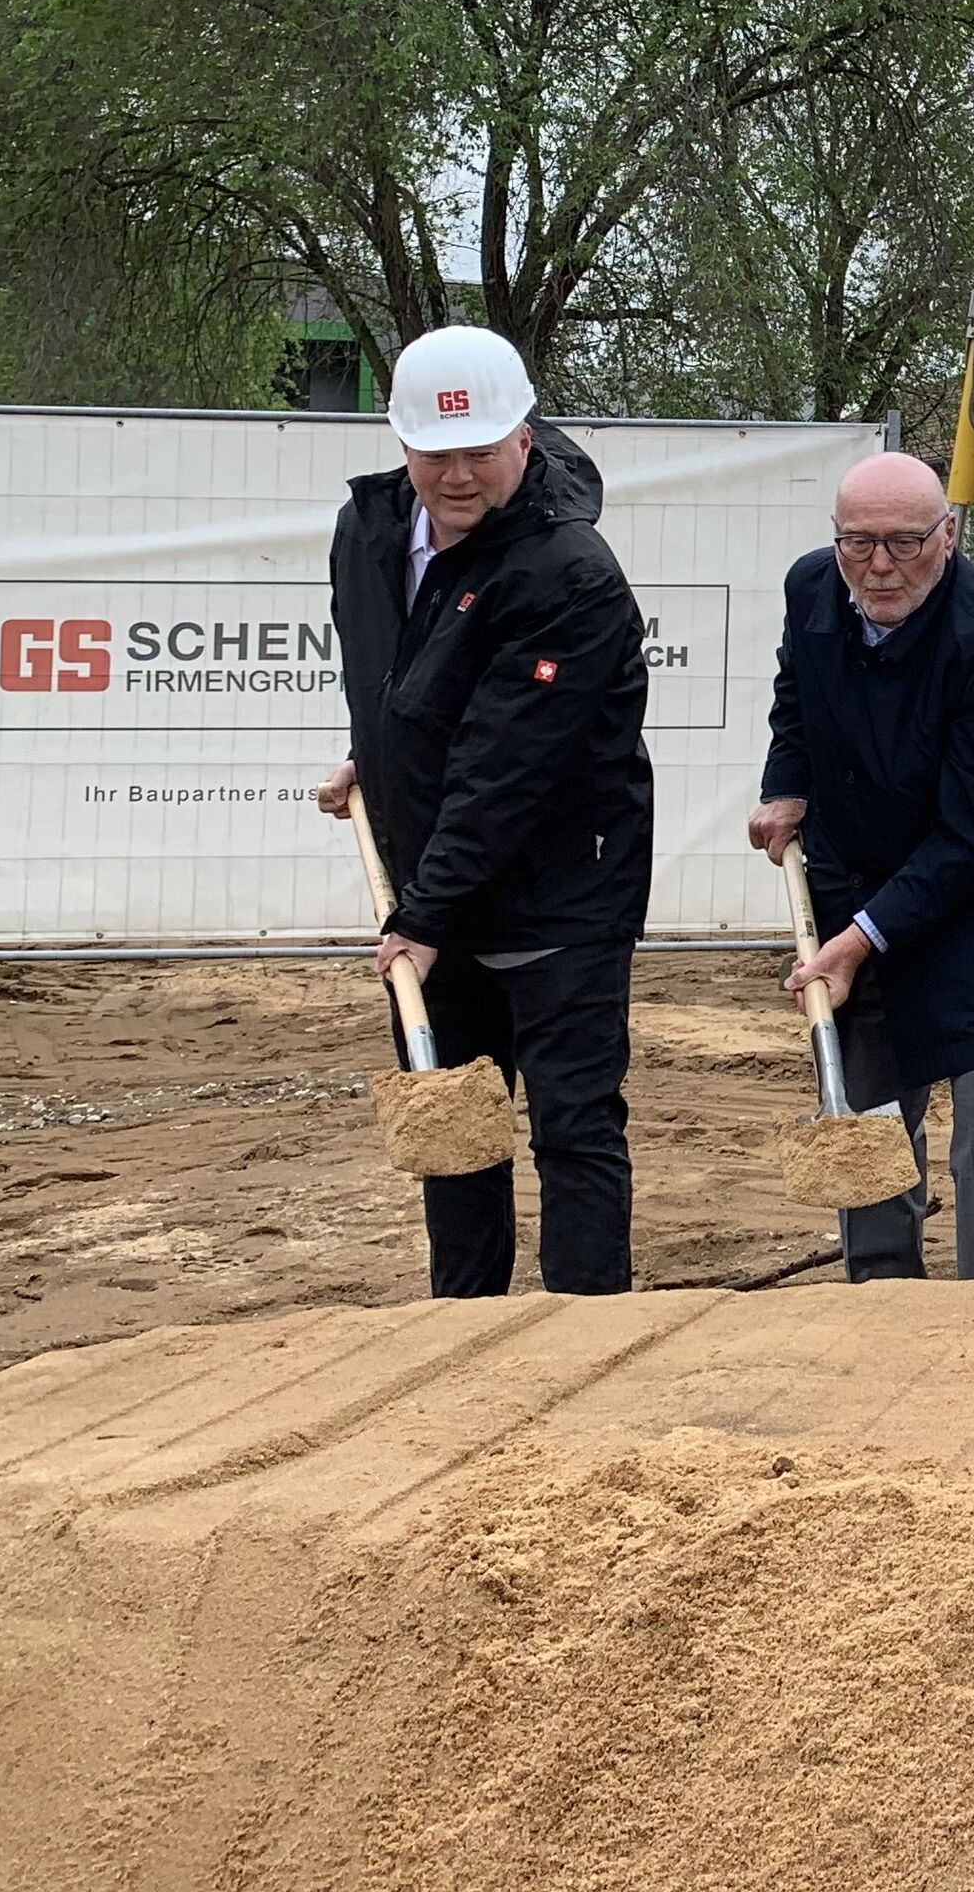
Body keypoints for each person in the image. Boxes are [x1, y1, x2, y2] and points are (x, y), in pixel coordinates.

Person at [322, 325, 652, 1299]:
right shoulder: (370, 531)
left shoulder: (569, 571)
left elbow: (510, 762)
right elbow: (406, 681)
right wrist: (376, 758)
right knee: (453, 1129)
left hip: (562, 898)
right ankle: (463, 1332)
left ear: (524, 438)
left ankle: (584, 1339)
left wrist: (424, 915)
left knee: (573, 1129)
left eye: (480, 452)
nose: (458, 476)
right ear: (402, 444)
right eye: (437, 454)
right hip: (439, 885)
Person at [751, 451, 974, 1282]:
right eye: (858, 543)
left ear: (949, 535)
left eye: (905, 542)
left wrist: (860, 939)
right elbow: (797, 697)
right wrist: (787, 787)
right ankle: (881, 1294)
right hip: (858, 874)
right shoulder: (812, 589)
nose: (880, 566)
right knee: (869, 1107)